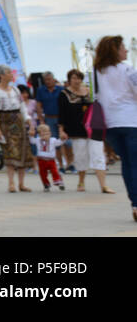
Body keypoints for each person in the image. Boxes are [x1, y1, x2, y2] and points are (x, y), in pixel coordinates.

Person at [93, 35, 137, 222]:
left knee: (127, 164)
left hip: (109, 124)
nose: (126, 50)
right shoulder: (128, 69)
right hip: (131, 121)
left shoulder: (97, 72)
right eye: (123, 47)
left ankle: (134, 203)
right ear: (115, 50)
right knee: (134, 163)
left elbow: (95, 95)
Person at [60, 68, 113, 194]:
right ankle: (81, 181)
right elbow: (62, 114)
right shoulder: (64, 94)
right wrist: (61, 130)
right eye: (73, 78)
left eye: (78, 78)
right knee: (80, 156)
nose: (76, 80)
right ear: (69, 80)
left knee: (98, 154)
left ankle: (103, 185)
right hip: (76, 130)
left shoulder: (90, 92)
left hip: (93, 129)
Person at [0, 65, 33, 192]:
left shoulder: (15, 90)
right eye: (9, 73)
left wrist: (29, 122)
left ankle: (21, 183)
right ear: (1, 75)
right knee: (10, 152)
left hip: (18, 121)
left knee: (23, 151)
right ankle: (11, 183)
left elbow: (23, 107)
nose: (11, 75)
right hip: (5, 122)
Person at [36, 71, 70, 173]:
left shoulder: (61, 89)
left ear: (53, 79)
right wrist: (41, 120)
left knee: (67, 142)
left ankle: (70, 163)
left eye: (49, 79)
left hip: (61, 118)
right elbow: (38, 106)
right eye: (46, 80)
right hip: (49, 118)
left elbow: (66, 105)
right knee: (55, 143)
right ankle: (61, 165)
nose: (48, 82)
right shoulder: (41, 90)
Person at [32, 124, 65, 191]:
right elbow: (31, 141)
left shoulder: (53, 140)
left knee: (55, 171)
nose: (45, 136)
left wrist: (62, 139)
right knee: (42, 173)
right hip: (41, 160)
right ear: (39, 135)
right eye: (43, 134)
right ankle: (46, 184)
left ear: (50, 133)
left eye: (47, 133)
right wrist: (31, 134)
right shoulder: (38, 140)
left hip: (51, 160)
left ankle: (59, 182)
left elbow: (59, 143)